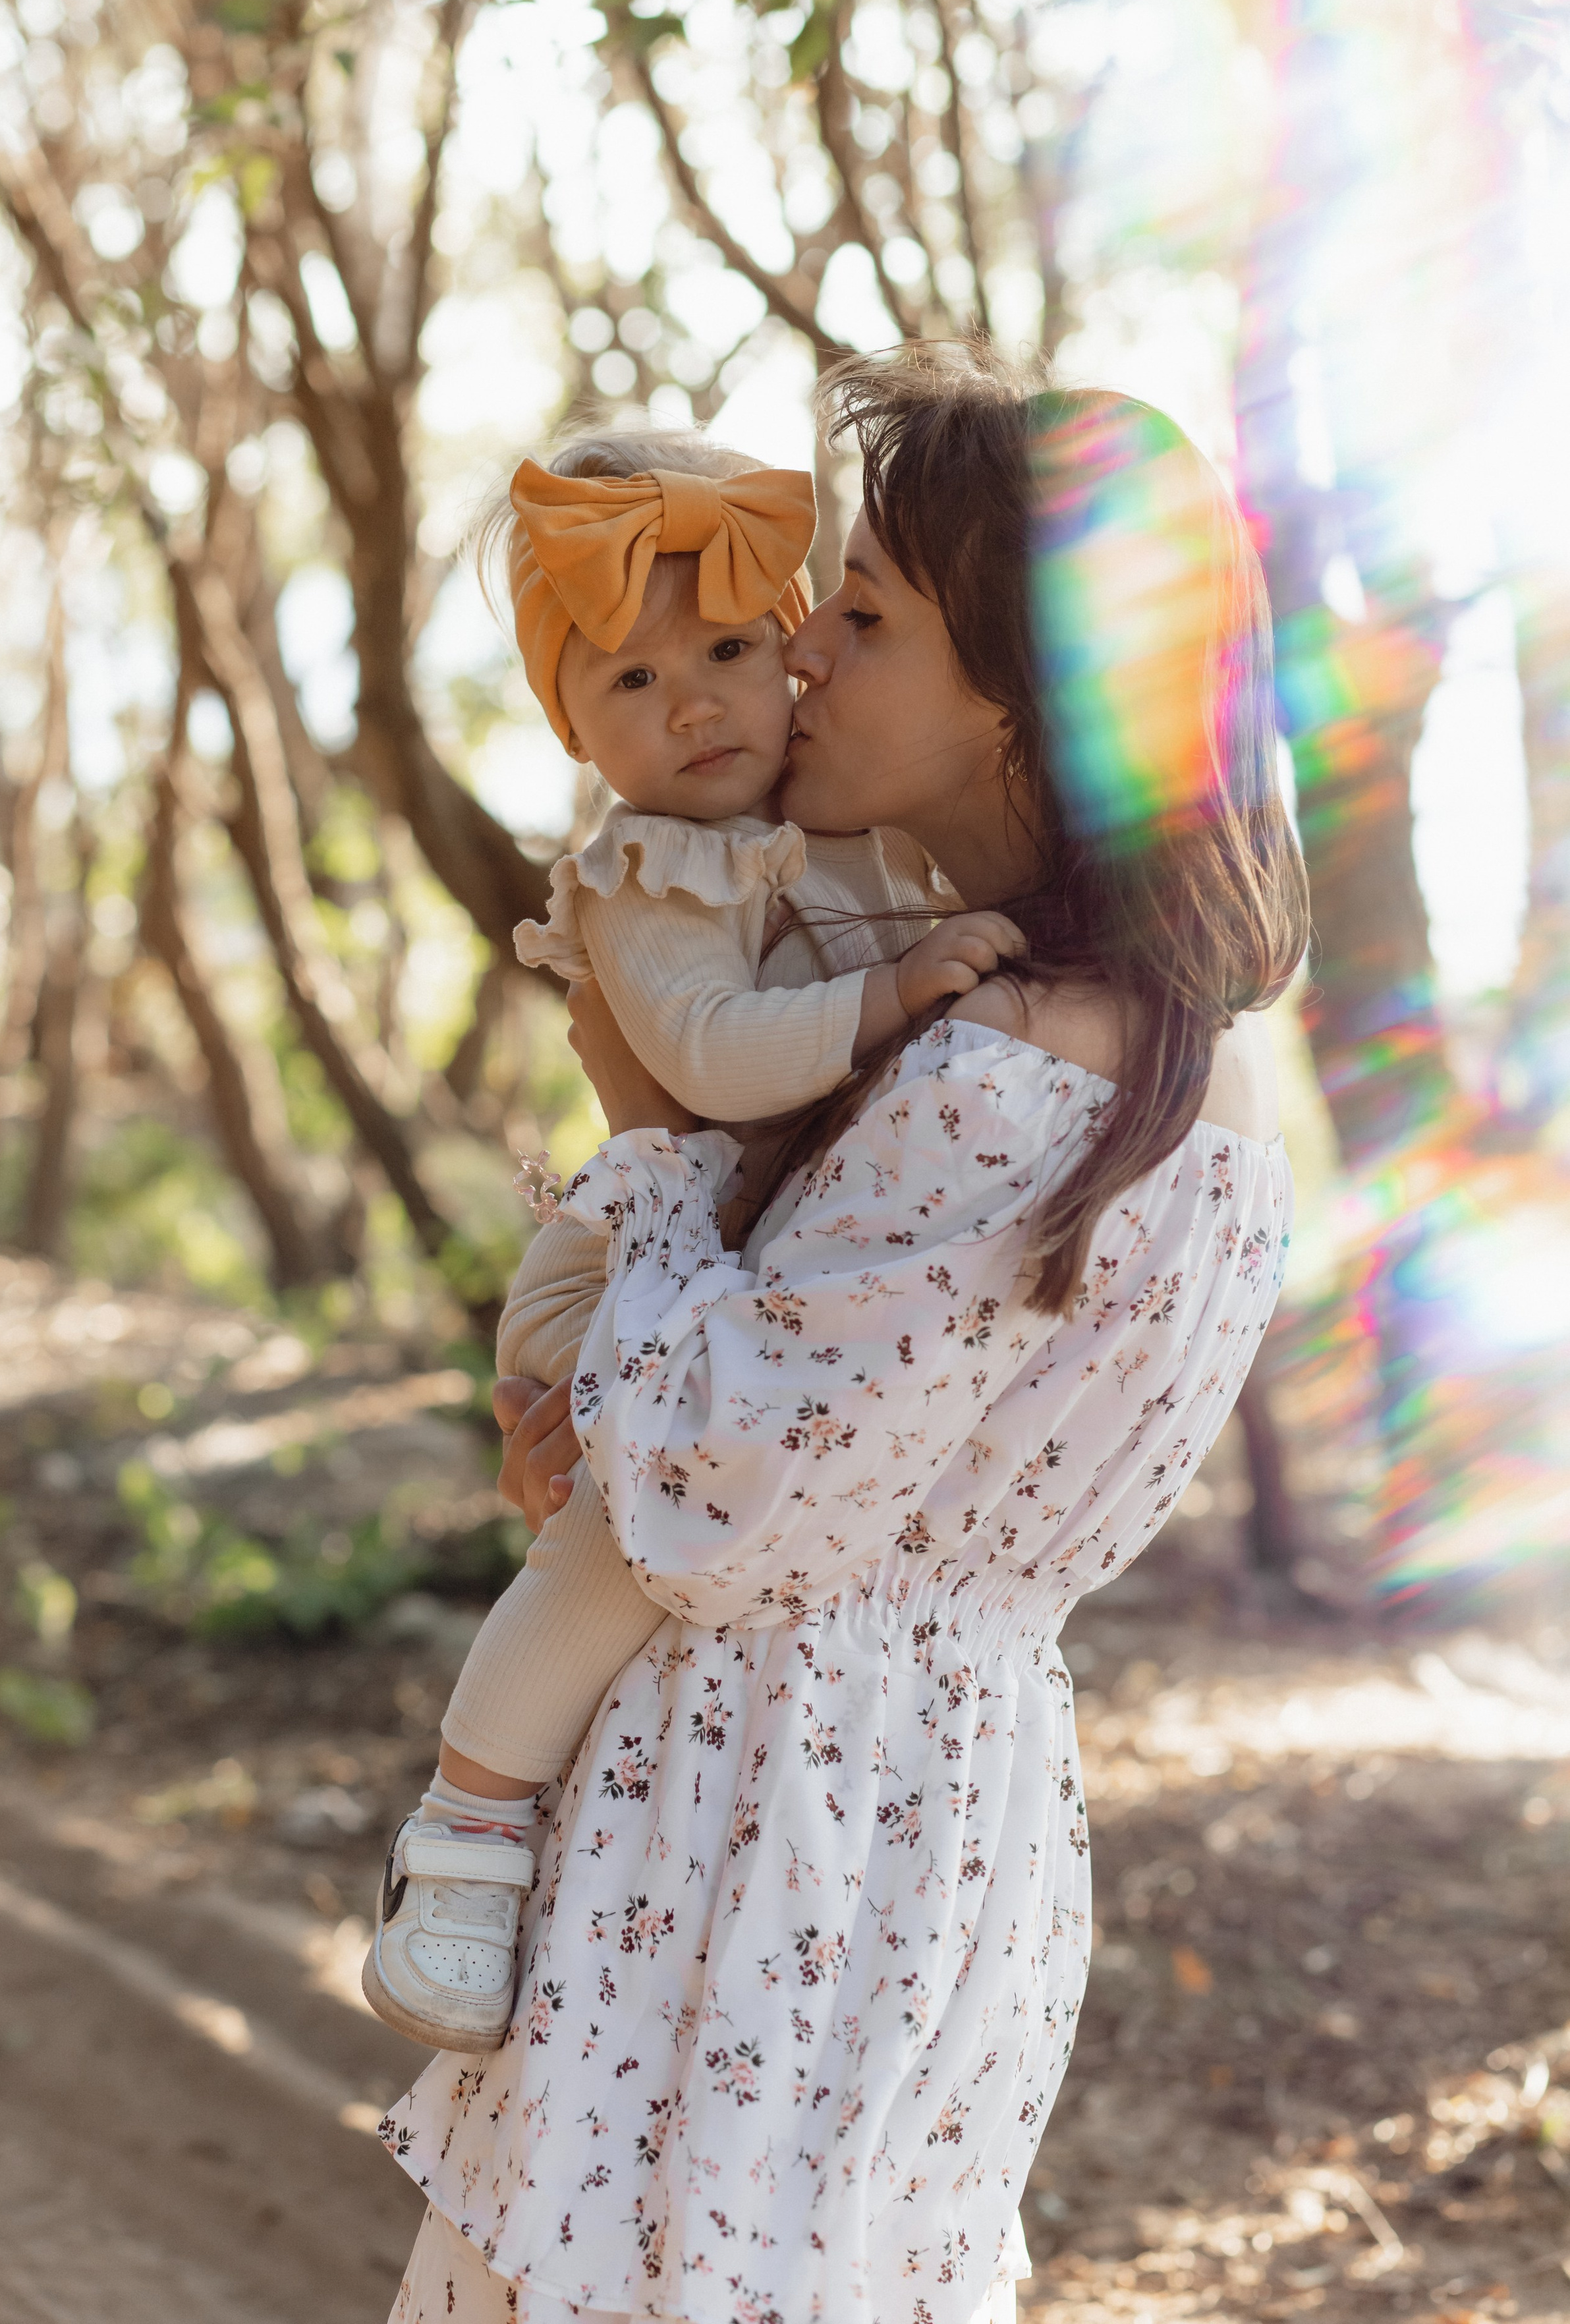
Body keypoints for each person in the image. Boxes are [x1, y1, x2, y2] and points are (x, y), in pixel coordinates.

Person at [379, 344, 1309, 2324]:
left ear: (1022, 703)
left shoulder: (1007, 1072)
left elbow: (714, 1487)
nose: (797, 662)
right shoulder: (1185, 1078)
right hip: (936, 1821)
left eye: (862, 617)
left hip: (766, 1818)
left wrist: (640, 1154)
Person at [363, 428, 1019, 2056]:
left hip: (728, 1271)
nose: (697, 705)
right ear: (570, 727)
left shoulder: (845, 824)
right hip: (620, 1274)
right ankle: (461, 1834)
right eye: (634, 683)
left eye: (728, 650)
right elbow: (709, 1060)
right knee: (617, 1538)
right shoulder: (648, 871)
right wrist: (888, 993)